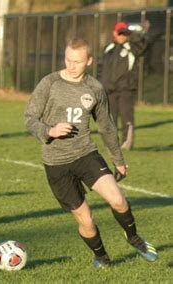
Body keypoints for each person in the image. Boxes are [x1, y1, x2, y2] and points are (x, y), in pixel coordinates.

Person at [24, 38, 157, 268]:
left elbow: (106, 126)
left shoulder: (95, 88)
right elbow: (29, 118)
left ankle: (134, 237)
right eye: (68, 60)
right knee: (86, 219)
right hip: (56, 164)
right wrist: (50, 131)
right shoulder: (50, 83)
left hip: (86, 153)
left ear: (89, 61)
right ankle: (102, 257)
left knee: (118, 200)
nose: (71, 65)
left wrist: (119, 160)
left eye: (77, 61)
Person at [98, 21, 148, 151]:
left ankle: (127, 143)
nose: (122, 36)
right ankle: (112, 144)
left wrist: (137, 33)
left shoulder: (132, 47)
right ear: (114, 33)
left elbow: (143, 44)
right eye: (120, 33)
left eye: (124, 33)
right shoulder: (108, 48)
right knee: (111, 119)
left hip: (126, 89)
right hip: (110, 90)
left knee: (126, 117)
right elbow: (101, 68)